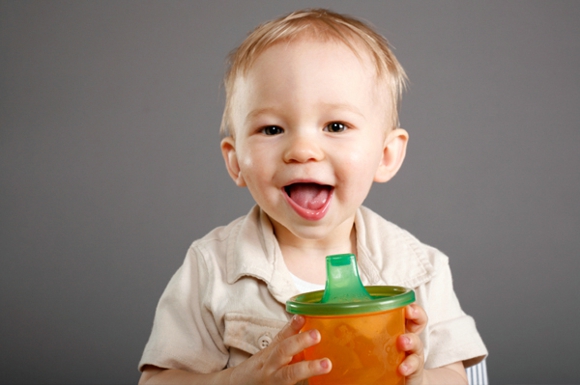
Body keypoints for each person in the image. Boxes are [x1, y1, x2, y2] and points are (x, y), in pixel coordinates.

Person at [138, 8, 487, 385]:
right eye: (271, 128)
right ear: (236, 160)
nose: (302, 149)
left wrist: (417, 376)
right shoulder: (212, 269)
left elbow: (463, 376)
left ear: (386, 155)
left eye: (336, 126)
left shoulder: (419, 271)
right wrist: (238, 379)